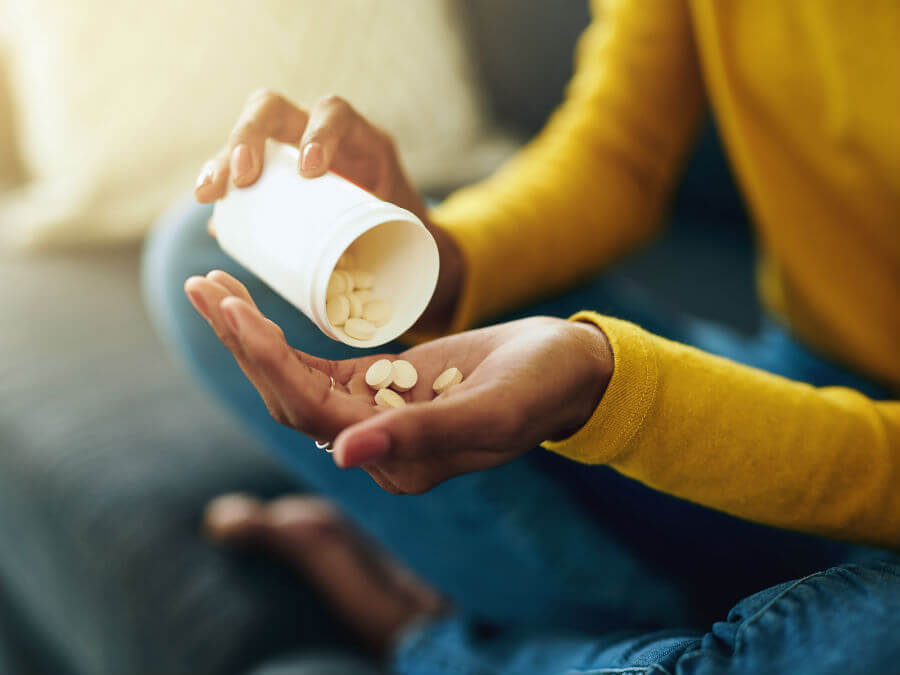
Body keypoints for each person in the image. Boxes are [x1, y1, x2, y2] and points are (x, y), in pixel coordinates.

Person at [144, 0, 900, 673]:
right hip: (802, 374)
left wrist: (611, 388)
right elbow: (619, 155)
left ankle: (428, 635)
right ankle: (678, 630)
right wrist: (443, 261)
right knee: (204, 245)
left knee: (868, 638)